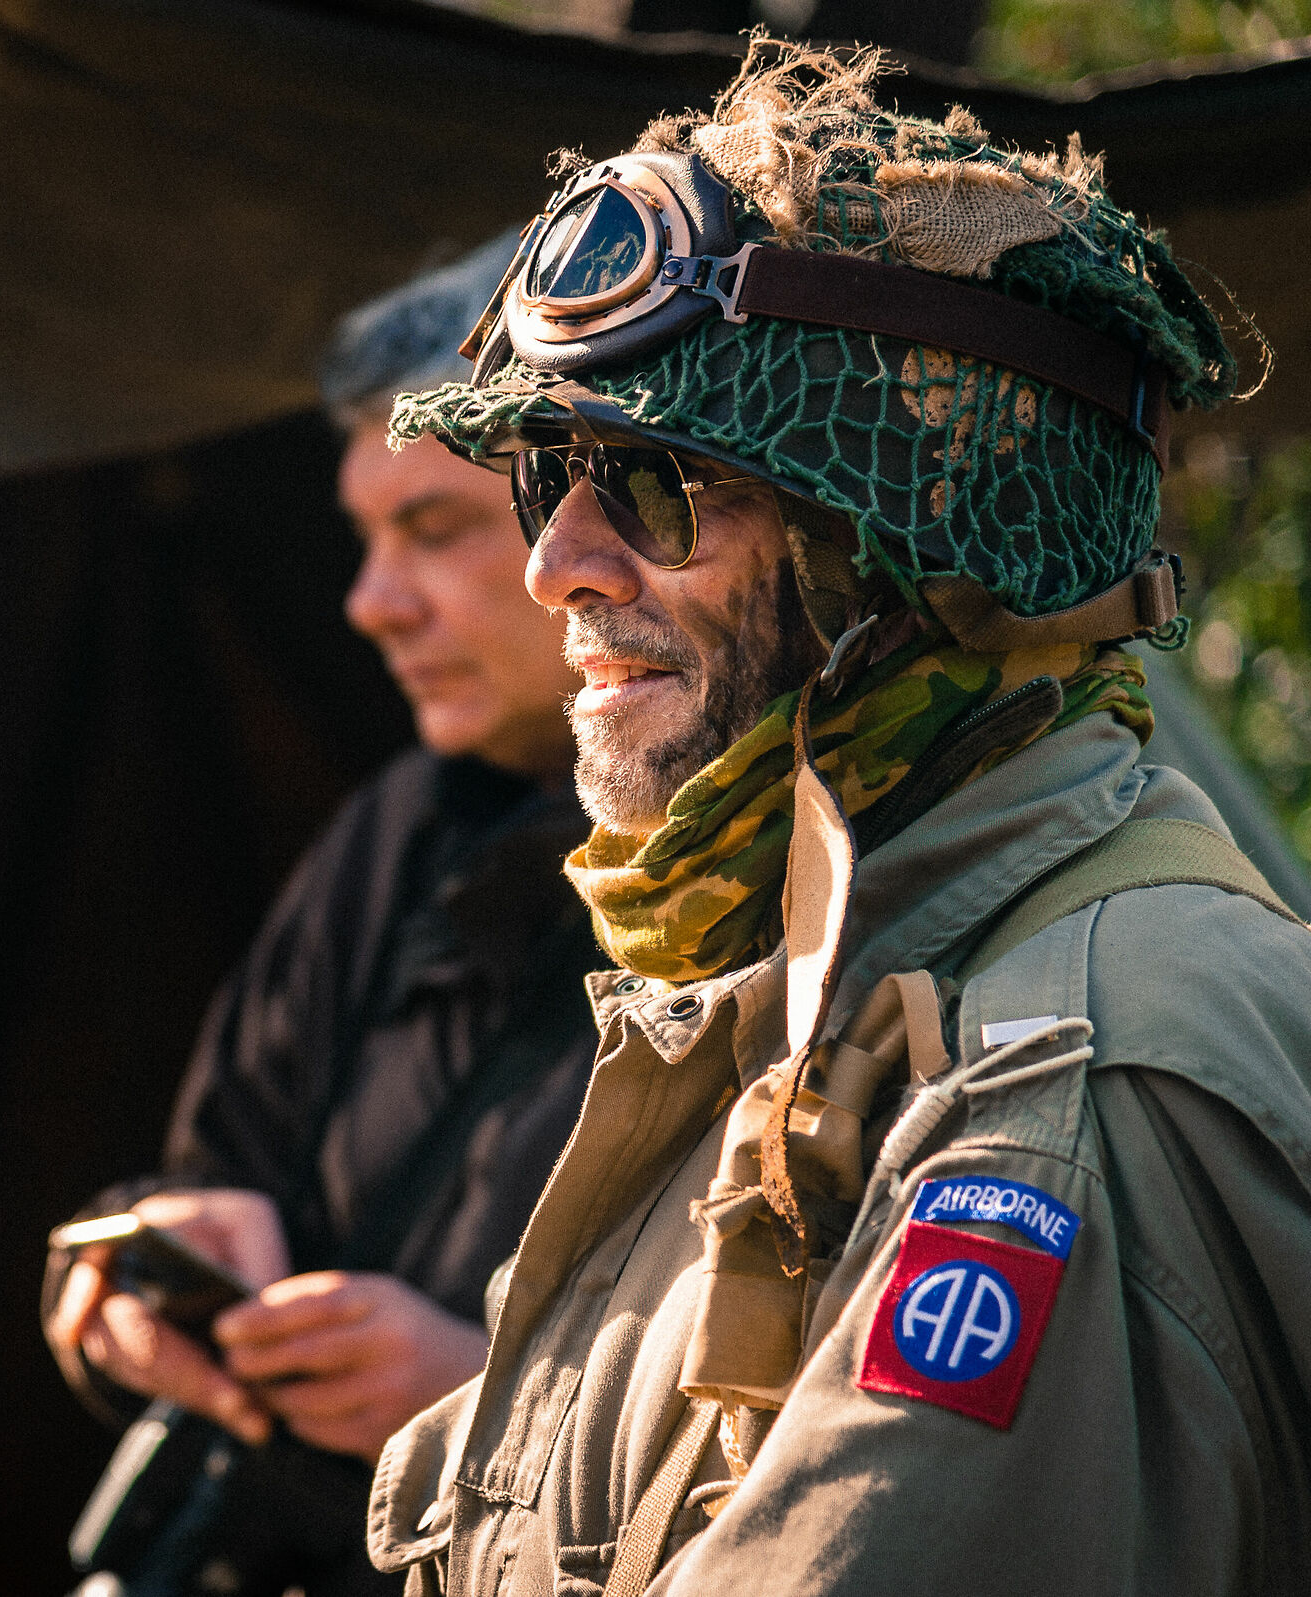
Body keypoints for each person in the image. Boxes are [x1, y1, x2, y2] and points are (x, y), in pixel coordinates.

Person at [367, 40, 1311, 1597]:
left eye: (661, 481)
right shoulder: (800, 1012)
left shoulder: (1061, 1091)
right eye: (550, 475)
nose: (560, 567)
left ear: (912, 550)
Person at [41, 232, 601, 1595]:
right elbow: (220, 1166)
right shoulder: (405, 827)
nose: (369, 603)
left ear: (607, 514)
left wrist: (494, 1397)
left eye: (435, 526)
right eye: (363, 537)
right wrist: (138, 1281)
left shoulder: (808, 865)